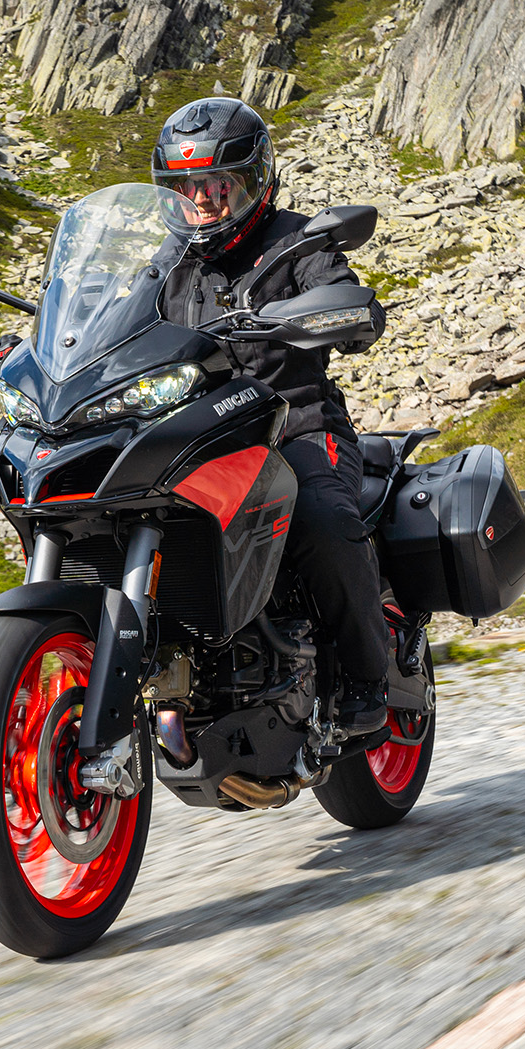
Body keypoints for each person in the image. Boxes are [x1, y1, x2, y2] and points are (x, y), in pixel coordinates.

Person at [150, 97, 390, 736]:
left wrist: (337, 310)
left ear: (253, 181)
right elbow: (117, 318)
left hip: (294, 427)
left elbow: (352, 301)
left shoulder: (297, 242)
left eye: (216, 185)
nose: (201, 201)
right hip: (198, 440)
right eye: (185, 188)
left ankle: (369, 677)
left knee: (320, 516)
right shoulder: (170, 263)